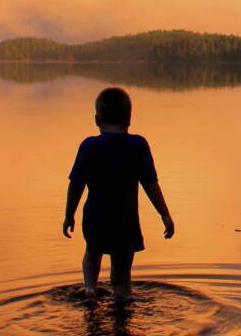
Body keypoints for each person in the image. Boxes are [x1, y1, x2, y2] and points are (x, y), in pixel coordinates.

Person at [63, 87, 175, 299]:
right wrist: (164, 214)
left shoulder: (89, 146)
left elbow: (76, 184)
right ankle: (123, 299)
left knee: (92, 252)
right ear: (129, 118)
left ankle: (90, 288)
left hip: (95, 218)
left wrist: (69, 214)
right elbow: (150, 184)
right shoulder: (138, 145)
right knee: (122, 274)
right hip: (126, 220)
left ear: (97, 119)